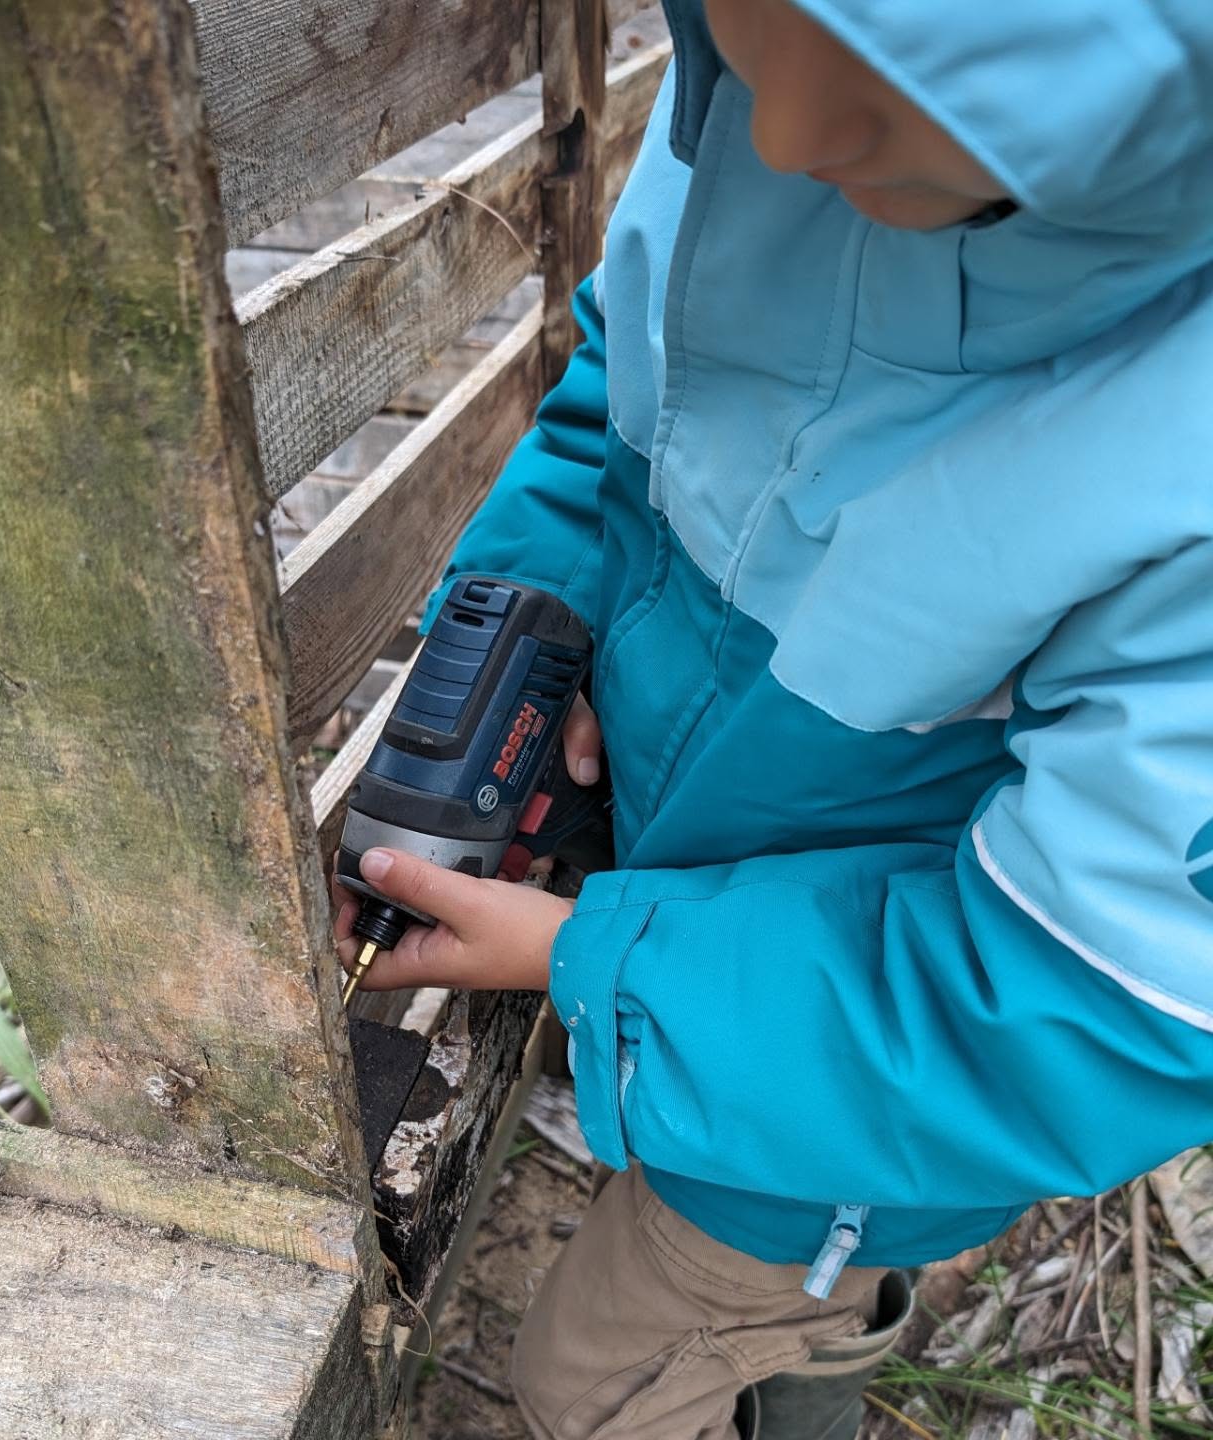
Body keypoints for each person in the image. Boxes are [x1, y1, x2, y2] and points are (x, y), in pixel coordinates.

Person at [334, 1, 1213, 1435]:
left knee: (587, 1384)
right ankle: (816, 1347)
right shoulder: (737, 137)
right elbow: (616, 397)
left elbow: (1095, 1007)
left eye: (912, 93)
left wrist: (595, 967)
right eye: (738, 42)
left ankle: (808, 1338)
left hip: (840, 1124)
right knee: (778, 1292)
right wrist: (548, 627)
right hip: (716, 989)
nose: (792, 138)